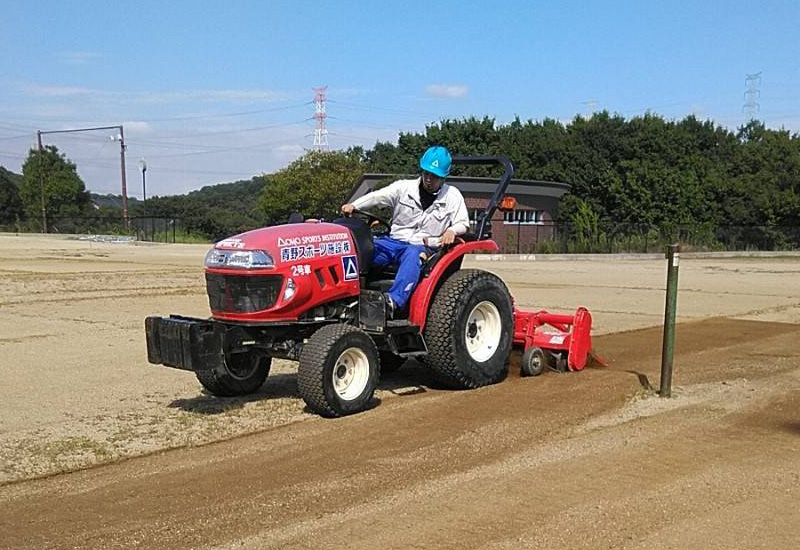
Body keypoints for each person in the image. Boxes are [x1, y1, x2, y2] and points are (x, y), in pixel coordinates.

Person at [341, 146, 469, 317]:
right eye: (426, 174)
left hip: (422, 246)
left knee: (413, 254)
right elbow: (377, 196)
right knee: (362, 250)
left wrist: (452, 230)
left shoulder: (453, 196)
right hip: (393, 242)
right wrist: (355, 205)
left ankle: (392, 302)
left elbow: (463, 223)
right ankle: (346, 295)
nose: (429, 179)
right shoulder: (403, 188)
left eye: (434, 176)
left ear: (443, 178)